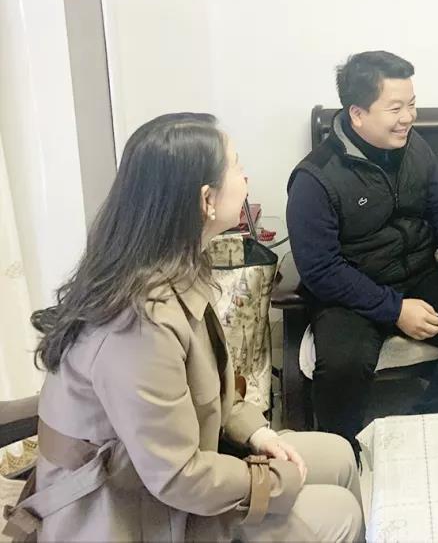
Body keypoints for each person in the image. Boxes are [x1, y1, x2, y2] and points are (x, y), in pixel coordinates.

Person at [6, 113, 362, 542]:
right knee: (338, 512)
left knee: (339, 455)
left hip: (169, 477)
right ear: (206, 199)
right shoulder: (139, 323)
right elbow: (176, 476)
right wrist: (270, 482)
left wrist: (257, 432)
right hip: (129, 514)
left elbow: (207, 396)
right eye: (236, 165)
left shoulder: (172, 268)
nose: (246, 177)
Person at [286, 51, 438, 449]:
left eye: (412, 105)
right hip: (350, 291)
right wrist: (395, 310)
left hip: (418, 274)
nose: (408, 118)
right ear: (357, 113)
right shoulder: (314, 179)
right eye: (396, 108)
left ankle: (423, 427)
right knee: (343, 365)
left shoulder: (414, 146)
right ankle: (341, 451)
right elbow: (321, 270)